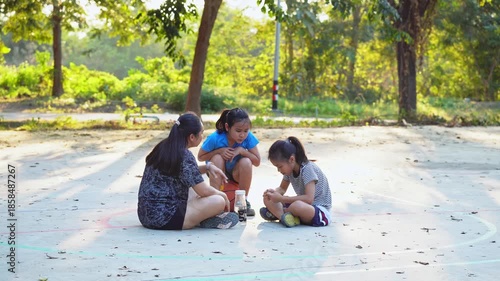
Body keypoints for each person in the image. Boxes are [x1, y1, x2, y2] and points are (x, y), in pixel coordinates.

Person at [137, 112, 239, 230]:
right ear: (191, 137)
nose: (202, 136)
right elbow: (204, 191)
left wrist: (207, 167)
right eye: (201, 133)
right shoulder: (184, 154)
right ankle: (202, 219)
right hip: (166, 218)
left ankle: (203, 216)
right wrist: (224, 196)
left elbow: (185, 172)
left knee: (192, 187)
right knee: (218, 200)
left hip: (146, 216)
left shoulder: (163, 146)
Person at [198, 108, 261, 216]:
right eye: (238, 131)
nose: (242, 135)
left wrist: (242, 151)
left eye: (246, 131)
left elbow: (257, 161)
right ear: (227, 127)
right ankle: (215, 201)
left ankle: (243, 202)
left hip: (235, 174)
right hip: (218, 172)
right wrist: (219, 151)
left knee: (246, 161)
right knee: (217, 158)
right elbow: (200, 157)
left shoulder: (248, 137)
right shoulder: (215, 138)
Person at [261, 136, 332, 227]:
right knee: (267, 199)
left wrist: (281, 199)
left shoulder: (308, 169)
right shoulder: (289, 170)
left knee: (296, 206)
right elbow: (282, 189)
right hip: (302, 207)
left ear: (291, 159)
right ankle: (286, 217)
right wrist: (273, 193)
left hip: (319, 212)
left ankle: (279, 214)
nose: (278, 170)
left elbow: (309, 199)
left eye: (280, 166)